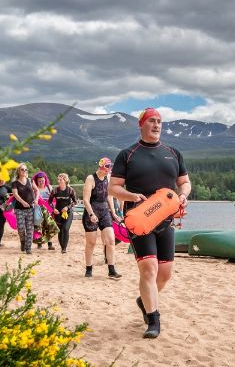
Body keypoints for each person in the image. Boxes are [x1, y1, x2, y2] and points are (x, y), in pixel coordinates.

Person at [109, 107, 191, 339]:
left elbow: (184, 183)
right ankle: (153, 319)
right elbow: (113, 187)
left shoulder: (173, 153)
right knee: (149, 268)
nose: (156, 125)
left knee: (164, 274)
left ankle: (143, 299)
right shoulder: (128, 154)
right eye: (151, 121)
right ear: (141, 124)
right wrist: (132, 197)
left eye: (159, 122)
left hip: (165, 222)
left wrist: (183, 195)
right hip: (139, 221)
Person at [82, 157, 122, 279]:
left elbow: (109, 197)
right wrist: (91, 214)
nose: (109, 171)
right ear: (102, 167)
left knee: (110, 240)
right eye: (108, 168)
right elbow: (85, 199)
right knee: (91, 243)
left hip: (105, 211)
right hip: (92, 211)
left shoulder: (108, 178)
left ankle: (111, 270)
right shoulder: (90, 178)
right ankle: (89, 268)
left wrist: (114, 213)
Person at [11, 163, 39, 254]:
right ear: (18, 171)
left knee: (30, 229)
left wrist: (36, 199)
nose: (24, 171)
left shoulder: (30, 181)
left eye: (26, 169)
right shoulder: (14, 183)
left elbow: (37, 190)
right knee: (21, 228)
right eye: (22, 169)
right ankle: (22, 241)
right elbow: (15, 194)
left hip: (30, 209)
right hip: (19, 209)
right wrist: (23, 202)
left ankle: (28, 248)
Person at [49, 173, 77, 253]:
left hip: (68, 213)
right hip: (58, 213)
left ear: (65, 180)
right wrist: (53, 209)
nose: (58, 181)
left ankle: (64, 248)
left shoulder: (70, 190)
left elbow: (74, 202)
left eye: (60, 179)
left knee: (65, 229)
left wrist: (67, 207)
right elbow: (49, 202)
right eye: (58, 179)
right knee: (60, 230)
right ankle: (62, 247)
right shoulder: (54, 190)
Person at [33, 171, 55, 250]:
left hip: (48, 210)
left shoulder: (49, 187)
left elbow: (53, 198)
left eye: (42, 180)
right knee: (39, 227)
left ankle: (50, 244)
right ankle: (39, 244)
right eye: (39, 181)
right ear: (36, 181)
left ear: (45, 180)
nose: (41, 182)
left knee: (49, 227)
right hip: (38, 210)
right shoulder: (35, 189)